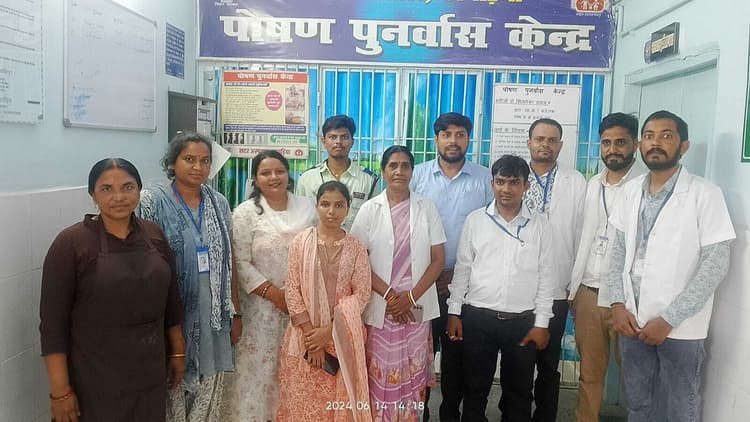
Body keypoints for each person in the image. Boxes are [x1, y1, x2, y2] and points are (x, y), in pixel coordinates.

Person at [607, 110, 735, 422]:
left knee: (680, 408)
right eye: (649, 136)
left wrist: (669, 319)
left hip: (680, 328)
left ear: (684, 146)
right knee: (638, 404)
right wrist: (617, 304)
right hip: (632, 321)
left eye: (666, 136)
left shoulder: (705, 194)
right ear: (640, 145)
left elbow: (716, 264)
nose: (656, 143)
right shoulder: (630, 191)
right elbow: (617, 252)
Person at [40, 158, 185, 422]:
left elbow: (171, 300)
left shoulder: (153, 235)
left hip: (149, 371)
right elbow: (52, 325)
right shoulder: (71, 244)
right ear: (92, 195)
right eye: (106, 189)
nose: (118, 197)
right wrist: (60, 392)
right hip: (95, 376)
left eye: (128, 187)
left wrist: (177, 351)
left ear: (139, 190)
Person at [138, 132, 240, 422]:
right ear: (173, 162)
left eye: (205, 161)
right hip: (173, 315)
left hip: (213, 316)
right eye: (189, 159)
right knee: (173, 386)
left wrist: (236, 312)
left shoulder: (218, 202)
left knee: (208, 388)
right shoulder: (153, 201)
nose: (198, 167)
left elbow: (230, 259)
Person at [446, 155, 555, 422]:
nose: (506, 189)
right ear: (492, 183)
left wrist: (542, 323)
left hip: (522, 322)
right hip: (478, 319)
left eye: (514, 182)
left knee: (519, 394)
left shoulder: (540, 225)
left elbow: (546, 278)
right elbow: (463, 270)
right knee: (474, 389)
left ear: (526, 185)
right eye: (500, 181)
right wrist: (454, 313)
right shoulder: (476, 220)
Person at [351, 145, 446, 421]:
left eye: (405, 166)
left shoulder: (427, 208)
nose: (399, 171)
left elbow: (438, 260)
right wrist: (392, 297)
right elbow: (358, 261)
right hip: (382, 307)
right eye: (393, 165)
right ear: (383, 171)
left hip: (416, 307)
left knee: (412, 377)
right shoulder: (370, 209)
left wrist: (410, 298)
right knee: (380, 376)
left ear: (412, 171)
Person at [410, 112, 493, 422]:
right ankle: (419, 416)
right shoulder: (416, 176)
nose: (453, 140)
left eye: (460, 134)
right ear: (436, 139)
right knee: (419, 358)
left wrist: (458, 277)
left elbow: (493, 230)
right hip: (422, 285)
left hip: (467, 286)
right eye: (447, 134)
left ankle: (450, 416)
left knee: (459, 360)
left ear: (469, 139)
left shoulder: (485, 179)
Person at [227, 150, 317, 421]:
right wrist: (276, 295)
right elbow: (239, 262)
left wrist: (299, 296)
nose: (274, 177)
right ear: (255, 179)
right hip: (260, 310)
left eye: (279, 171)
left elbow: (320, 250)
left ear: (288, 174)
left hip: (304, 308)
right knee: (258, 372)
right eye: (265, 173)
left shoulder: (308, 208)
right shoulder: (245, 214)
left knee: (296, 371)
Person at [567, 112, 645, 422]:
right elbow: (580, 237)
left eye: (621, 142)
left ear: (635, 144)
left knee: (637, 375)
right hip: (589, 291)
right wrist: (574, 290)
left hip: (630, 298)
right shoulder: (592, 184)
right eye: (606, 142)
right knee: (589, 373)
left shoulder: (645, 186)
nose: (613, 149)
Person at [276, 181, 373, 421]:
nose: (332, 211)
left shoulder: (356, 248)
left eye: (339, 205)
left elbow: (362, 294)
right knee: (302, 405)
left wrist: (328, 332)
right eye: (325, 204)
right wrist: (313, 338)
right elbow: (292, 289)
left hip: (341, 340)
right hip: (304, 339)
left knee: (334, 408)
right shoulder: (301, 242)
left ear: (348, 208)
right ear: (317, 206)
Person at [523, 118, 586, 421]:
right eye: (539, 139)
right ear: (529, 143)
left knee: (549, 364)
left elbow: (583, 234)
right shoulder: (515, 177)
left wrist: (575, 284)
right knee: (519, 362)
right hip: (519, 290)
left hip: (558, 288)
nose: (545, 145)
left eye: (551, 140)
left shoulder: (576, 182)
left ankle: (545, 415)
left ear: (560, 145)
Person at [296, 114, 381, 230]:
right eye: (332, 137)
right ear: (324, 141)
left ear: (352, 142)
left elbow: (375, 221)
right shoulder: (307, 179)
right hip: (315, 240)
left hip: (356, 240)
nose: (338, 142)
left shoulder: (369, 181)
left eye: (344, 137)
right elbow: (300, 220)